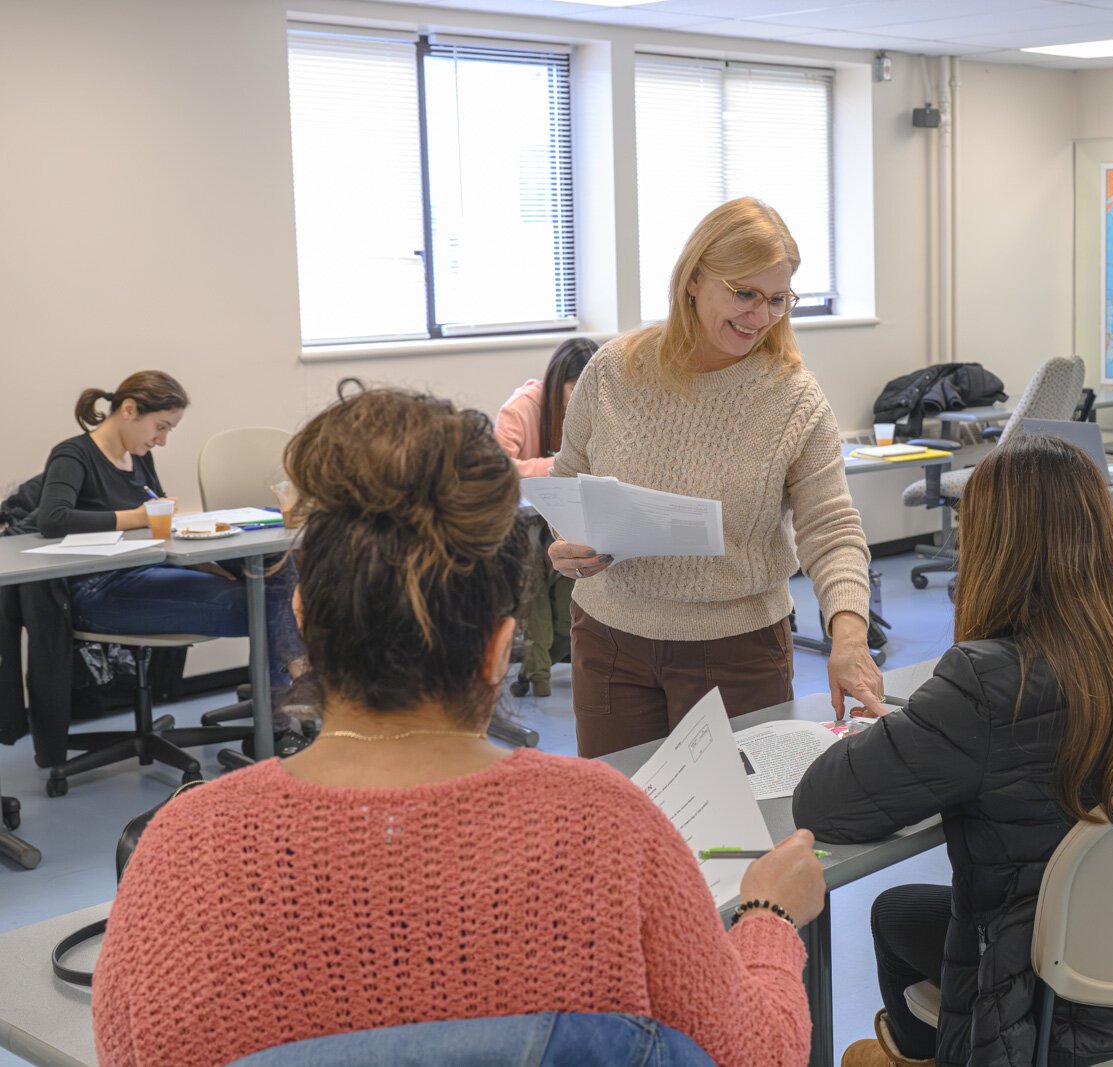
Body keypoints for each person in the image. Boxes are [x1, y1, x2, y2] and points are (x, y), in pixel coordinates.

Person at [92, 384, 824, 1067]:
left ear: (304, 621)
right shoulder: (608, 824)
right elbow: (755, 1053)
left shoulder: (181, 851)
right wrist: (767, 916)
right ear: (499, 647)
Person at [792, 434, 1113, 1067]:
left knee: (894, 913)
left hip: (1059, 999)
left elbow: (824, 806)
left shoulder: (987, 682)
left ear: (990, 548)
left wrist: (904, 734)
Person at [549, 197, 882, 757]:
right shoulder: (613, 371)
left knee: (736, 836)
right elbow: (568, 482)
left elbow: (831, 528)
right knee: (621, 826)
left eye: (778, 299)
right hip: (609, 641)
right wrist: (565, 546)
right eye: (744, 293)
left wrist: (849, 635)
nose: (761, 316)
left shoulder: (793, 398)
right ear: (694, 279)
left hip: (737, 650)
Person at [37, 371, 307, 712]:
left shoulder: (139, 456)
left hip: (151, 569)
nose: (162, 440)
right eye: (160, 426)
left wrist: (202, 562)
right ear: (130, 410)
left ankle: (282, 702)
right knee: (269, 605)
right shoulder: (73, 455)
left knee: (276, 564)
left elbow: (159, 528)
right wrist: (135, 517)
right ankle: (284, 703)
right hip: (99, 589)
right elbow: (52, 519)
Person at [495, 337, 598, 697]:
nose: (582, 399)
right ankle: (544, 660)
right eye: (575, 388)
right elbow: (497, 470)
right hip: (521, 525)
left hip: (564, 518)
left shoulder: (592, 409)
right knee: (545, 589)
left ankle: (555, 653)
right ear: (558, 382)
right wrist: (556, 466)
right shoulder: (521, 408)